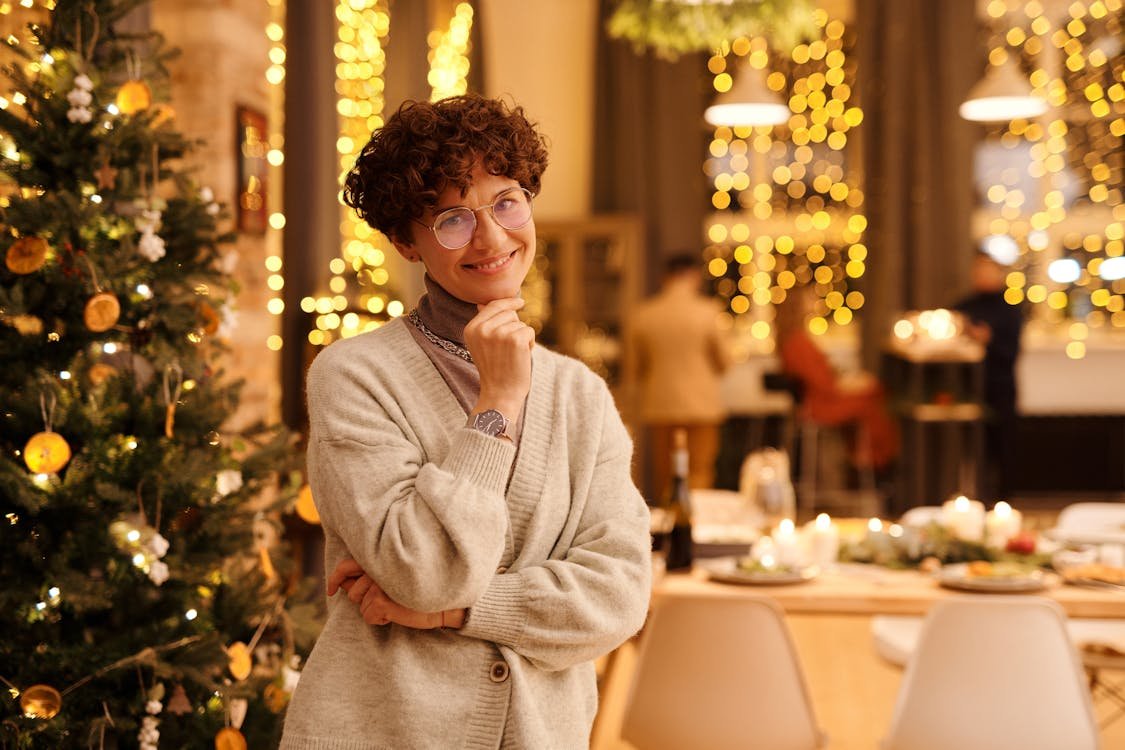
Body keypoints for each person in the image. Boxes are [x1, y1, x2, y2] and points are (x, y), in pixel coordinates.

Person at [280, 95, 652, 750]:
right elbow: (423, 571)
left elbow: (618, 596)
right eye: (451, 219)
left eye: (506, 201)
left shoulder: (580, 396)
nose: (491, 237)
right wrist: (497, 404)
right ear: (406, 242)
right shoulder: (352, 377)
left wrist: (459, 612)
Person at [623, 253, 732, 498]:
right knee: (700, 468)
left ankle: (670, 522)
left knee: (666, 471)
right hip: (702, 405)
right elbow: (725, 362)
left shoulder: (644, 313)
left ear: (665, 277)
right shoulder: (709, 311)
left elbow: (633, 368)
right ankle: (695, 521)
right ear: (694, 276)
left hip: (660, 403)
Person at [774, 283, 898, 471]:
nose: (815, 302)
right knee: (872, 396)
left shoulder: (796, 338)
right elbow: (823, 384)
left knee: (873, 390)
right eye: (809, 298)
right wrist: (852, 385)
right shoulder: (797, 342)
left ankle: (868, 459)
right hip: (819, 405)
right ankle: (873, 461)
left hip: (820, 399)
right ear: (797, 305)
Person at [954, 251, 1024, 499]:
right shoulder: (964, 307)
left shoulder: (1010, 311)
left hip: (1000, 388)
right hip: (969, 390)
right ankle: (974, 498)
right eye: (978, 271)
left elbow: (1011, 353)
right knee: (973, 450)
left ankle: (1004, 501)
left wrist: (988, 340)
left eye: (987, 271)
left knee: (1003, 447)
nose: (982, 276)